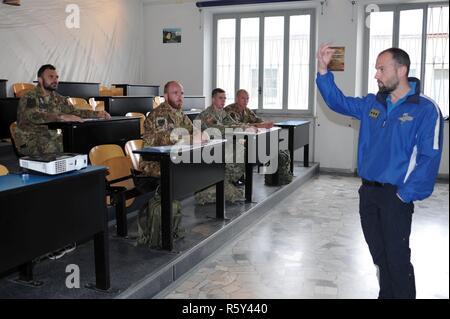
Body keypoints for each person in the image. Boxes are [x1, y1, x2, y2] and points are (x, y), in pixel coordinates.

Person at [316, 44, 444, 299]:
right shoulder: (372, 103)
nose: (376, 74)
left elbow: (429, 158)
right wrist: (323, 70)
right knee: (380, 256)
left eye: (381, 69)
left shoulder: (425, 109)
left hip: (396, 196)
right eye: (376, 69)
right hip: (369, 193)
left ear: (402, 69)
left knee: (397, 259)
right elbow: (337, 102)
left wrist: (404, 196)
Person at [15, 64, 110, 156]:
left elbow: (75, 112)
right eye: (51, 77)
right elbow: (34, 116)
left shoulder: (58, 98)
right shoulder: (30, 96)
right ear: (40, 80)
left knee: (82, 139)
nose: (55, 80)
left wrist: (97, 114)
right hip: (30, 139)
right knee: (63, 145)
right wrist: (61, 117)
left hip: (51, 136)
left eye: (56, 77)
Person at [225, 89, 292, 185]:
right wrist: (259, 125)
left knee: (262, 144)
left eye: (247, 99)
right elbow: (238, 126)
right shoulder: (229, 110)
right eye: (243, 98)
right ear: (236, 98)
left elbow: (258, 120)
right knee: (247, 150)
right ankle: (237, 176)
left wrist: (265, 123)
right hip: (231, 140)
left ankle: (250, 174)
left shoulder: (246, 110)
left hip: (244, 139)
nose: (245, 101)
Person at [194, 88, 245, 204]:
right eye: (220, 98)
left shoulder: (222, 113)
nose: (223, 101)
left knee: (242, 151)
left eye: (225, 98)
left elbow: (234, 124)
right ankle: (216, 186)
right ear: (213, 99)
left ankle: (225, 182)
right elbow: (219, 129)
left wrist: (246, 126)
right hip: (205, 151)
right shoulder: (207, 115)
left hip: (219, 147)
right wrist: (239, 128)